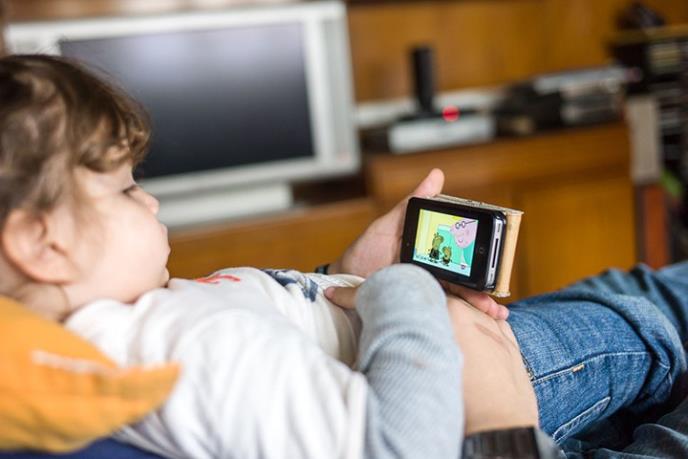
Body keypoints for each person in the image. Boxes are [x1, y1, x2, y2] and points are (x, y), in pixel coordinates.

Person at [0, 54, 685, 459]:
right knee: (651, 321)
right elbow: (401, 446)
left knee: (639, 296)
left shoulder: (110, 326)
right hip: (461, 390)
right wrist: (404, 289)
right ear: (42, 243)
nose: (149, 202)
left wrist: (341, 275)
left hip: (420, 349)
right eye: (125, 189)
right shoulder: (179, 348)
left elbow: (277, 346)